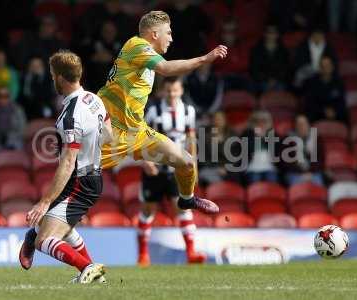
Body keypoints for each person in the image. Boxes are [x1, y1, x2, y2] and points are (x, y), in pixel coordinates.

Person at [98, 10, 227, 215]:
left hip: (137, 132)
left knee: (185, 162)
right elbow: (166, 69)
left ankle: (186, 199)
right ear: (154, 34)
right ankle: (42, 224)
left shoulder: (146, 60)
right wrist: (205, 59)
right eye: (168, 32)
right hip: (110, 132)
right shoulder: (137, 45)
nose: (171, 38)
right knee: (77, 183)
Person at [18, 50, 113, 284]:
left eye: (52, 76)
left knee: (44, 239)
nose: (52, 80)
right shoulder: (94, 99)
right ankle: (93, 276)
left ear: (59, 77)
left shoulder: (69, 116)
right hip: (93, 175)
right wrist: (91, 148)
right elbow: (109, 136)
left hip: (79, 182)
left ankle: (87, 266)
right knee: (57, 224)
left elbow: (69, 161)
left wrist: (44, 201)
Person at [137, 77, 206, 266]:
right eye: (168, 91)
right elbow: (141, 137)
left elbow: (191, 139)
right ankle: (143, 255)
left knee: (183, 208)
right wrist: (144, 161)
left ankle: (191, 252)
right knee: (148, 210)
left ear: (181, 91)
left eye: (175, 91)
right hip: (155, 169)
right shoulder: (153, 111)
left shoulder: (188, 111)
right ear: (162, 91)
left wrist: (194, 166)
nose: (172, 94)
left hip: (177, 169)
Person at [303, 56, 347, 123]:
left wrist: (334, 111)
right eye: (323, 66)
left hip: (334, 112)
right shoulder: (312, 82)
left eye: (328, 65)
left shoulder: (339, 82)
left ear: (332, 67)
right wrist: (323, 111)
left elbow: (341, 101)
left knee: (345, 115)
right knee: (309, 115)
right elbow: (310, 102)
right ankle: (313, 134)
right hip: (318, 112)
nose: (326, 68)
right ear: (320, 68)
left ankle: (343, 132)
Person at [283, 115, 324, 186]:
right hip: (295, 173)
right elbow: (287, 162)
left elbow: (320, 160)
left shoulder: (316, 139)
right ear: (295, 126)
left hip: (313, 172)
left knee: (319, 187)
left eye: (304, 124)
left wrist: (310, 172)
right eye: (299, 124)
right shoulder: (288, 140)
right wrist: (302, 173)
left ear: (308, 125)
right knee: (297, 189)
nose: (302, 126)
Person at [249, 24, 290, 93]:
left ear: (277, 34)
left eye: (274, 32)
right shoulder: (256, 50)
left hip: (279, 81)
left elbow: (286, 68)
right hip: (261, 81)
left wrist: (275, 79)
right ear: (265, 34)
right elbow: (254, 69)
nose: (271, 35)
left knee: (280, 88)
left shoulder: (283, 51)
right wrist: (266, 80)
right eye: (269, 32)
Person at [0, 87, 26, 154]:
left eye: (6, 96)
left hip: (14, 139)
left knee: (17, 147)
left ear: (10, 97)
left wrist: (10, 137)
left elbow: (22, 128)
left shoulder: (17, 109)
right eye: (0, 96)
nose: (3, 99)